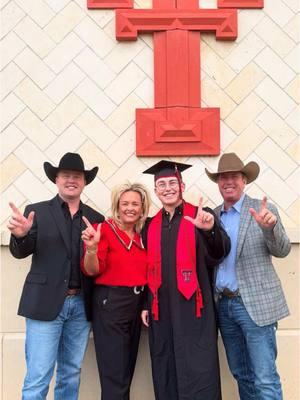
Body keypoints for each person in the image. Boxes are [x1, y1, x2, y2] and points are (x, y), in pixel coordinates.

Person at [8, 152, 104, 400]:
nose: (71, 180)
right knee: (38, 375)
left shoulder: (95, 219)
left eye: (77, 176)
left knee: (71, 373)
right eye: (66, 175)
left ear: (84, 182)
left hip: (81, 306)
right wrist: (20, 235)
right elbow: (21, 252)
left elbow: (97, 263)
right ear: (56, 180)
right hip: (44, 303)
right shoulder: (36, 212)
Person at [141, 160, 230, 400]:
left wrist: (210, 230)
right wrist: (146, 305)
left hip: (195, 308)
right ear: (155, 190)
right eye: (162, 184)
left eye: (172, 183)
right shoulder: (150, 226)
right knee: (165, 366)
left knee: (199, 368)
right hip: (161, 312)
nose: (167, 188)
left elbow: (219, 253)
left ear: (182, 185)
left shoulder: (200, 216)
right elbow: (147, 269)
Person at [205, 152, 291, 400]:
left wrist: (270, 229)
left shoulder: (263, 210)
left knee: (264, 378)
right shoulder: (213, 216)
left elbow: (282, 250)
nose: (228, 182)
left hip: (255, 305)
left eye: (234, 177)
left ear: (244, 181)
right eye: (223, 178)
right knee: (241, 374)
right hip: (225, 306)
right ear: (218, 183)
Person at [81, 182, 151, 400]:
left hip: (137, 303)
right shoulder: (105, 230)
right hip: (111, 303)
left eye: (135, 204)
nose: (130, 208)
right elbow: (92, 270)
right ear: (117, 206)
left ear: (142, 208)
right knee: (115, 375)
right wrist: (91, 250)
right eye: (125, 203)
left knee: (126, 371)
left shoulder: (142, 234)